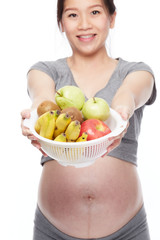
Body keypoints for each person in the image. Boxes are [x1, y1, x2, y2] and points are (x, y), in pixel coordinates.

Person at [21, 0, 156, 239]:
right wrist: (34, 116)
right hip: (53, 232)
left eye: (95, 12)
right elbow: (41, 96)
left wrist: (122, 110)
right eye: (73, 15)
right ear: (61, 23)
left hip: (127, 231)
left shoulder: (136, 71)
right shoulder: (45, 70)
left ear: (112, 18)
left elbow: (131, 93)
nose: (84, 24)